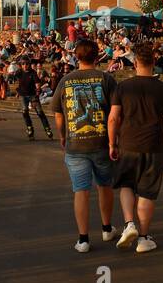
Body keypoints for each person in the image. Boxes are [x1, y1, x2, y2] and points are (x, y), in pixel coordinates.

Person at [109, 41, 163, 254]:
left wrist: (112, 143)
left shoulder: (123, 87)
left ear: (135, 63)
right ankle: (143, 238)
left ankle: (129, 224)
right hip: (154, 147)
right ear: (154, 62)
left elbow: (113, 118)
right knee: (147, 192)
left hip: (128, 145)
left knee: (126, 185)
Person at [51, 39, 118, 252]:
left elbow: (58, 114)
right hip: (102, 142)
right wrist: (114, 141)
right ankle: (107, 228)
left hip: (75, 144)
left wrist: (62, 135)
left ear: (76, 57)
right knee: (105, 186)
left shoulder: (65, 80)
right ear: (97, 56)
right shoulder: (106, 79)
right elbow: (115, 113)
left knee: (81, 191)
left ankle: (83, 239)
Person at [14, 57, 53, 141]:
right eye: (23, 64)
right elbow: (17, 81)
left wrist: (35, 98)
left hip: (32, 95)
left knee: (40, 112)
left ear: (30, 64)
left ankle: (47, 129)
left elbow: (38, 86)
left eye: (27, 64)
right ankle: (29, 128)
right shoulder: (19, 72)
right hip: (23, 95)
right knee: (25, 111)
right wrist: (18, 91)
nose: (25, 65)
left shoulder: (33, 73)